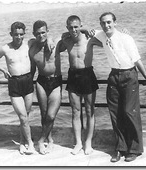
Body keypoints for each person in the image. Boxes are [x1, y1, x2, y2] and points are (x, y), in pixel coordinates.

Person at [86, 12, 146, 162]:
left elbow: (137, 60)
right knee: (115, 112)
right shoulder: (101, 34)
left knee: (129, 112)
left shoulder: (126, 38)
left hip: (129, 74)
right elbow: (84, 29)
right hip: (113, 75)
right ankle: (120, 148)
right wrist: (87, 31)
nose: (106, 25)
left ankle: (135, 149)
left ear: (115, 23)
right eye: (103, 23)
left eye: (109, 22)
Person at [0, 21, 36, 155]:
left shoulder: (28, 44)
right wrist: (3, 70)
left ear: (24, 34)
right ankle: (30, 144)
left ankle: (22, 142)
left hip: (27, 81)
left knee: (25, 116)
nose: (19, 37)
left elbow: (43, 37)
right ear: (11, 34)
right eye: (16, 35)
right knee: (22, 117)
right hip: (14, 83)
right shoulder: (5, 48)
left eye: (21, 34)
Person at [55, 15, 99, 155]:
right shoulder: (66, 41)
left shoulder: (89, 39)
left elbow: (106, 39)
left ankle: (88, 143)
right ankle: (78, 143)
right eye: (71, 27)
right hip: (73, 76)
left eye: (76, 27)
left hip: (87, 75)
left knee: (89, 111)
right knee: (75, 112)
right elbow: (53, 45)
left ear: (80, 26)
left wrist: (86, 29)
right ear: (67, 28)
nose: (74, 30)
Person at [29, 20, 62, 155]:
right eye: (38, 34)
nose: (41, 36)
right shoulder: (32, 49)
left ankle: (41, 140)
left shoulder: (56, 44)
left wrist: (50, 38)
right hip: (41, 81)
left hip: (55, 81)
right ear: (34, 34)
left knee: (51, 115)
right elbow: (32, 70)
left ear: (47, 32)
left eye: (43, 32)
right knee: (43, 114)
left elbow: (70, 33)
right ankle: (49, 139)